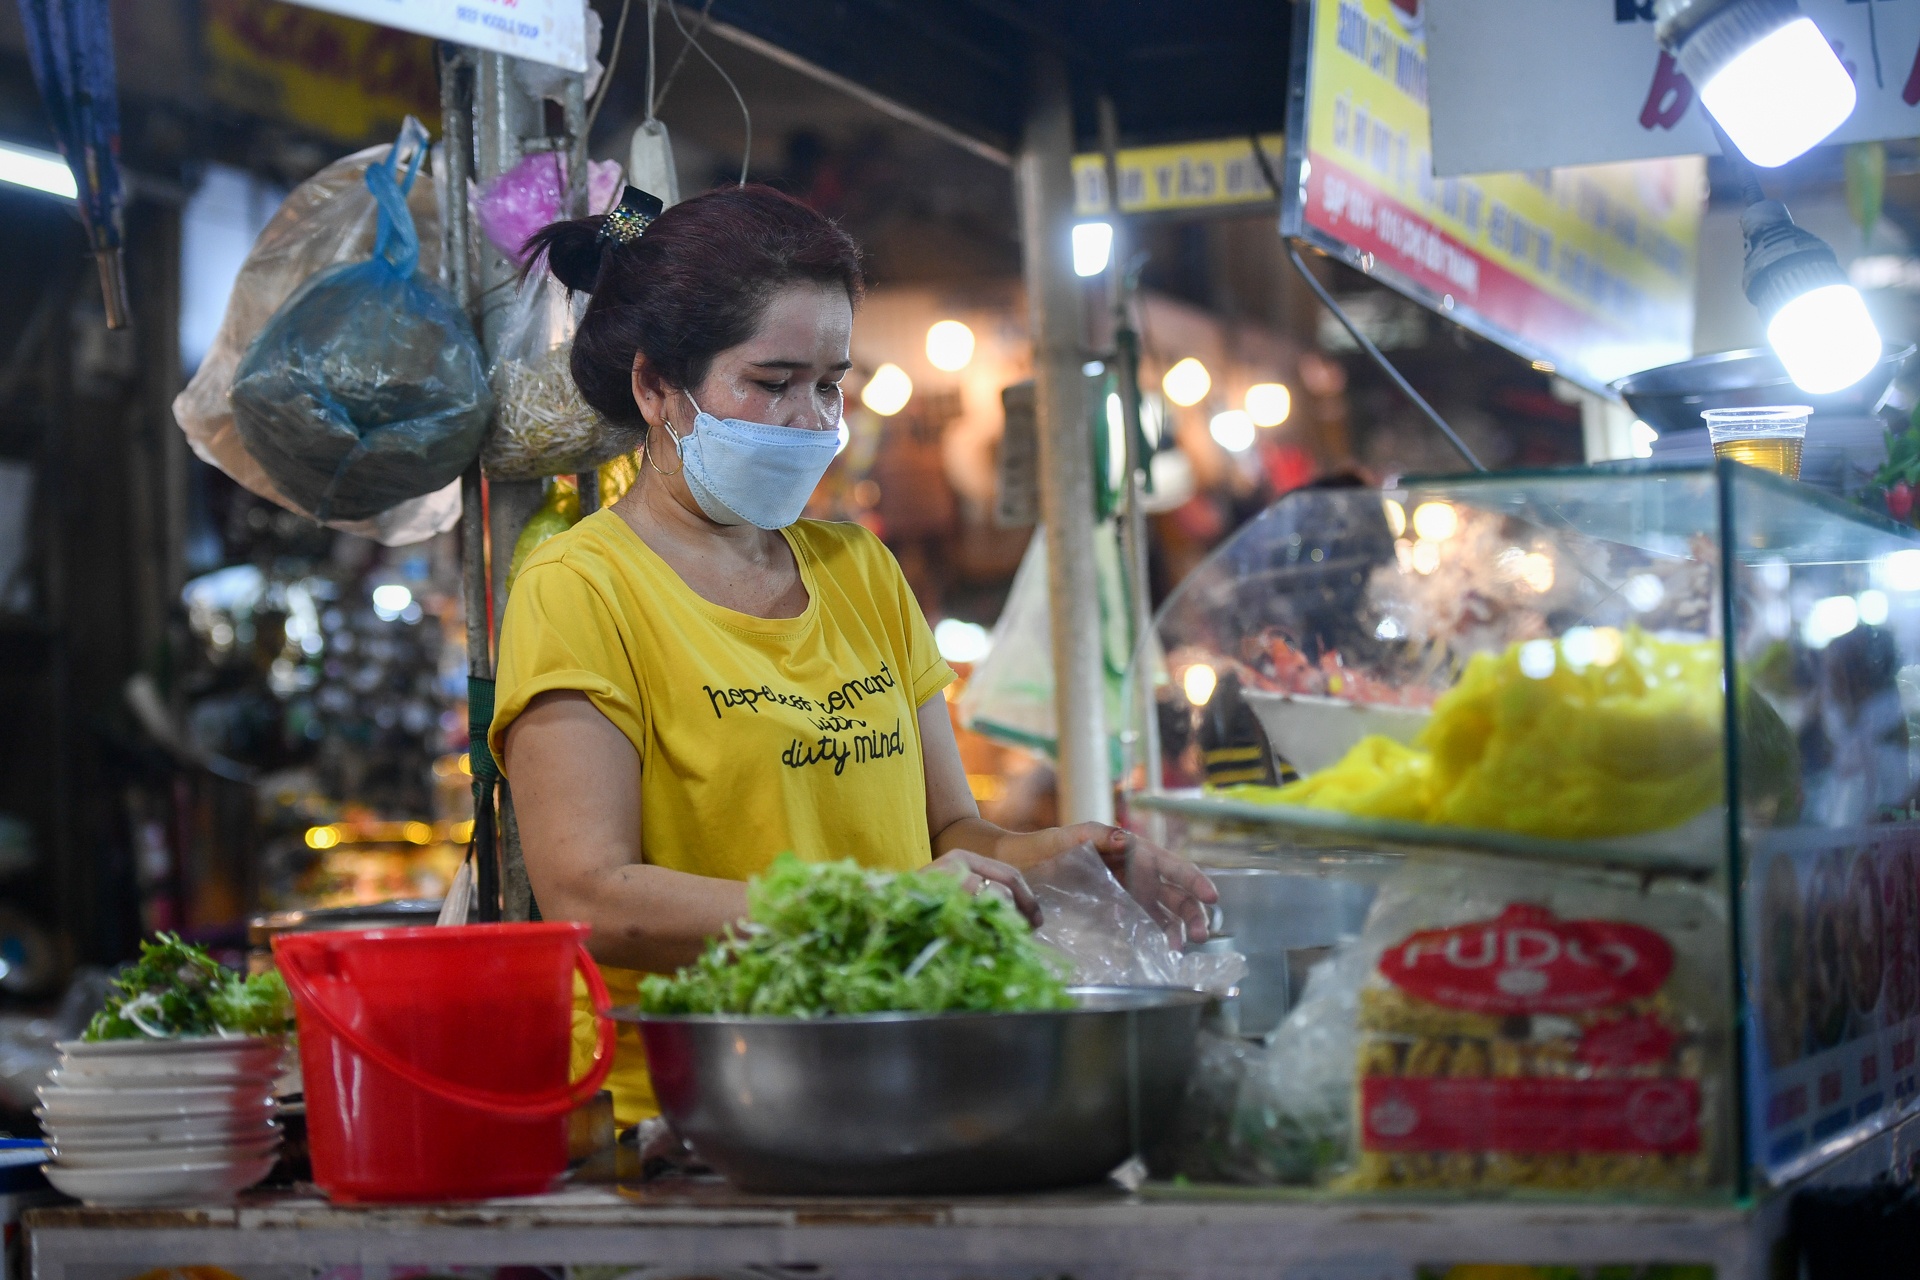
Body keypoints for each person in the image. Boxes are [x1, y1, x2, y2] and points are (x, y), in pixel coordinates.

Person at [490, 184, 1216, 1126]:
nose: (809, 419)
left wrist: (1071, 859)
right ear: (656, 388)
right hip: (697, 1108)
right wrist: (878, 905)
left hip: (909, 1071)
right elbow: (594, 896)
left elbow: (951, 836)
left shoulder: (860, 570)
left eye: (829, 383)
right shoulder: (581, 588)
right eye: (771, 380)